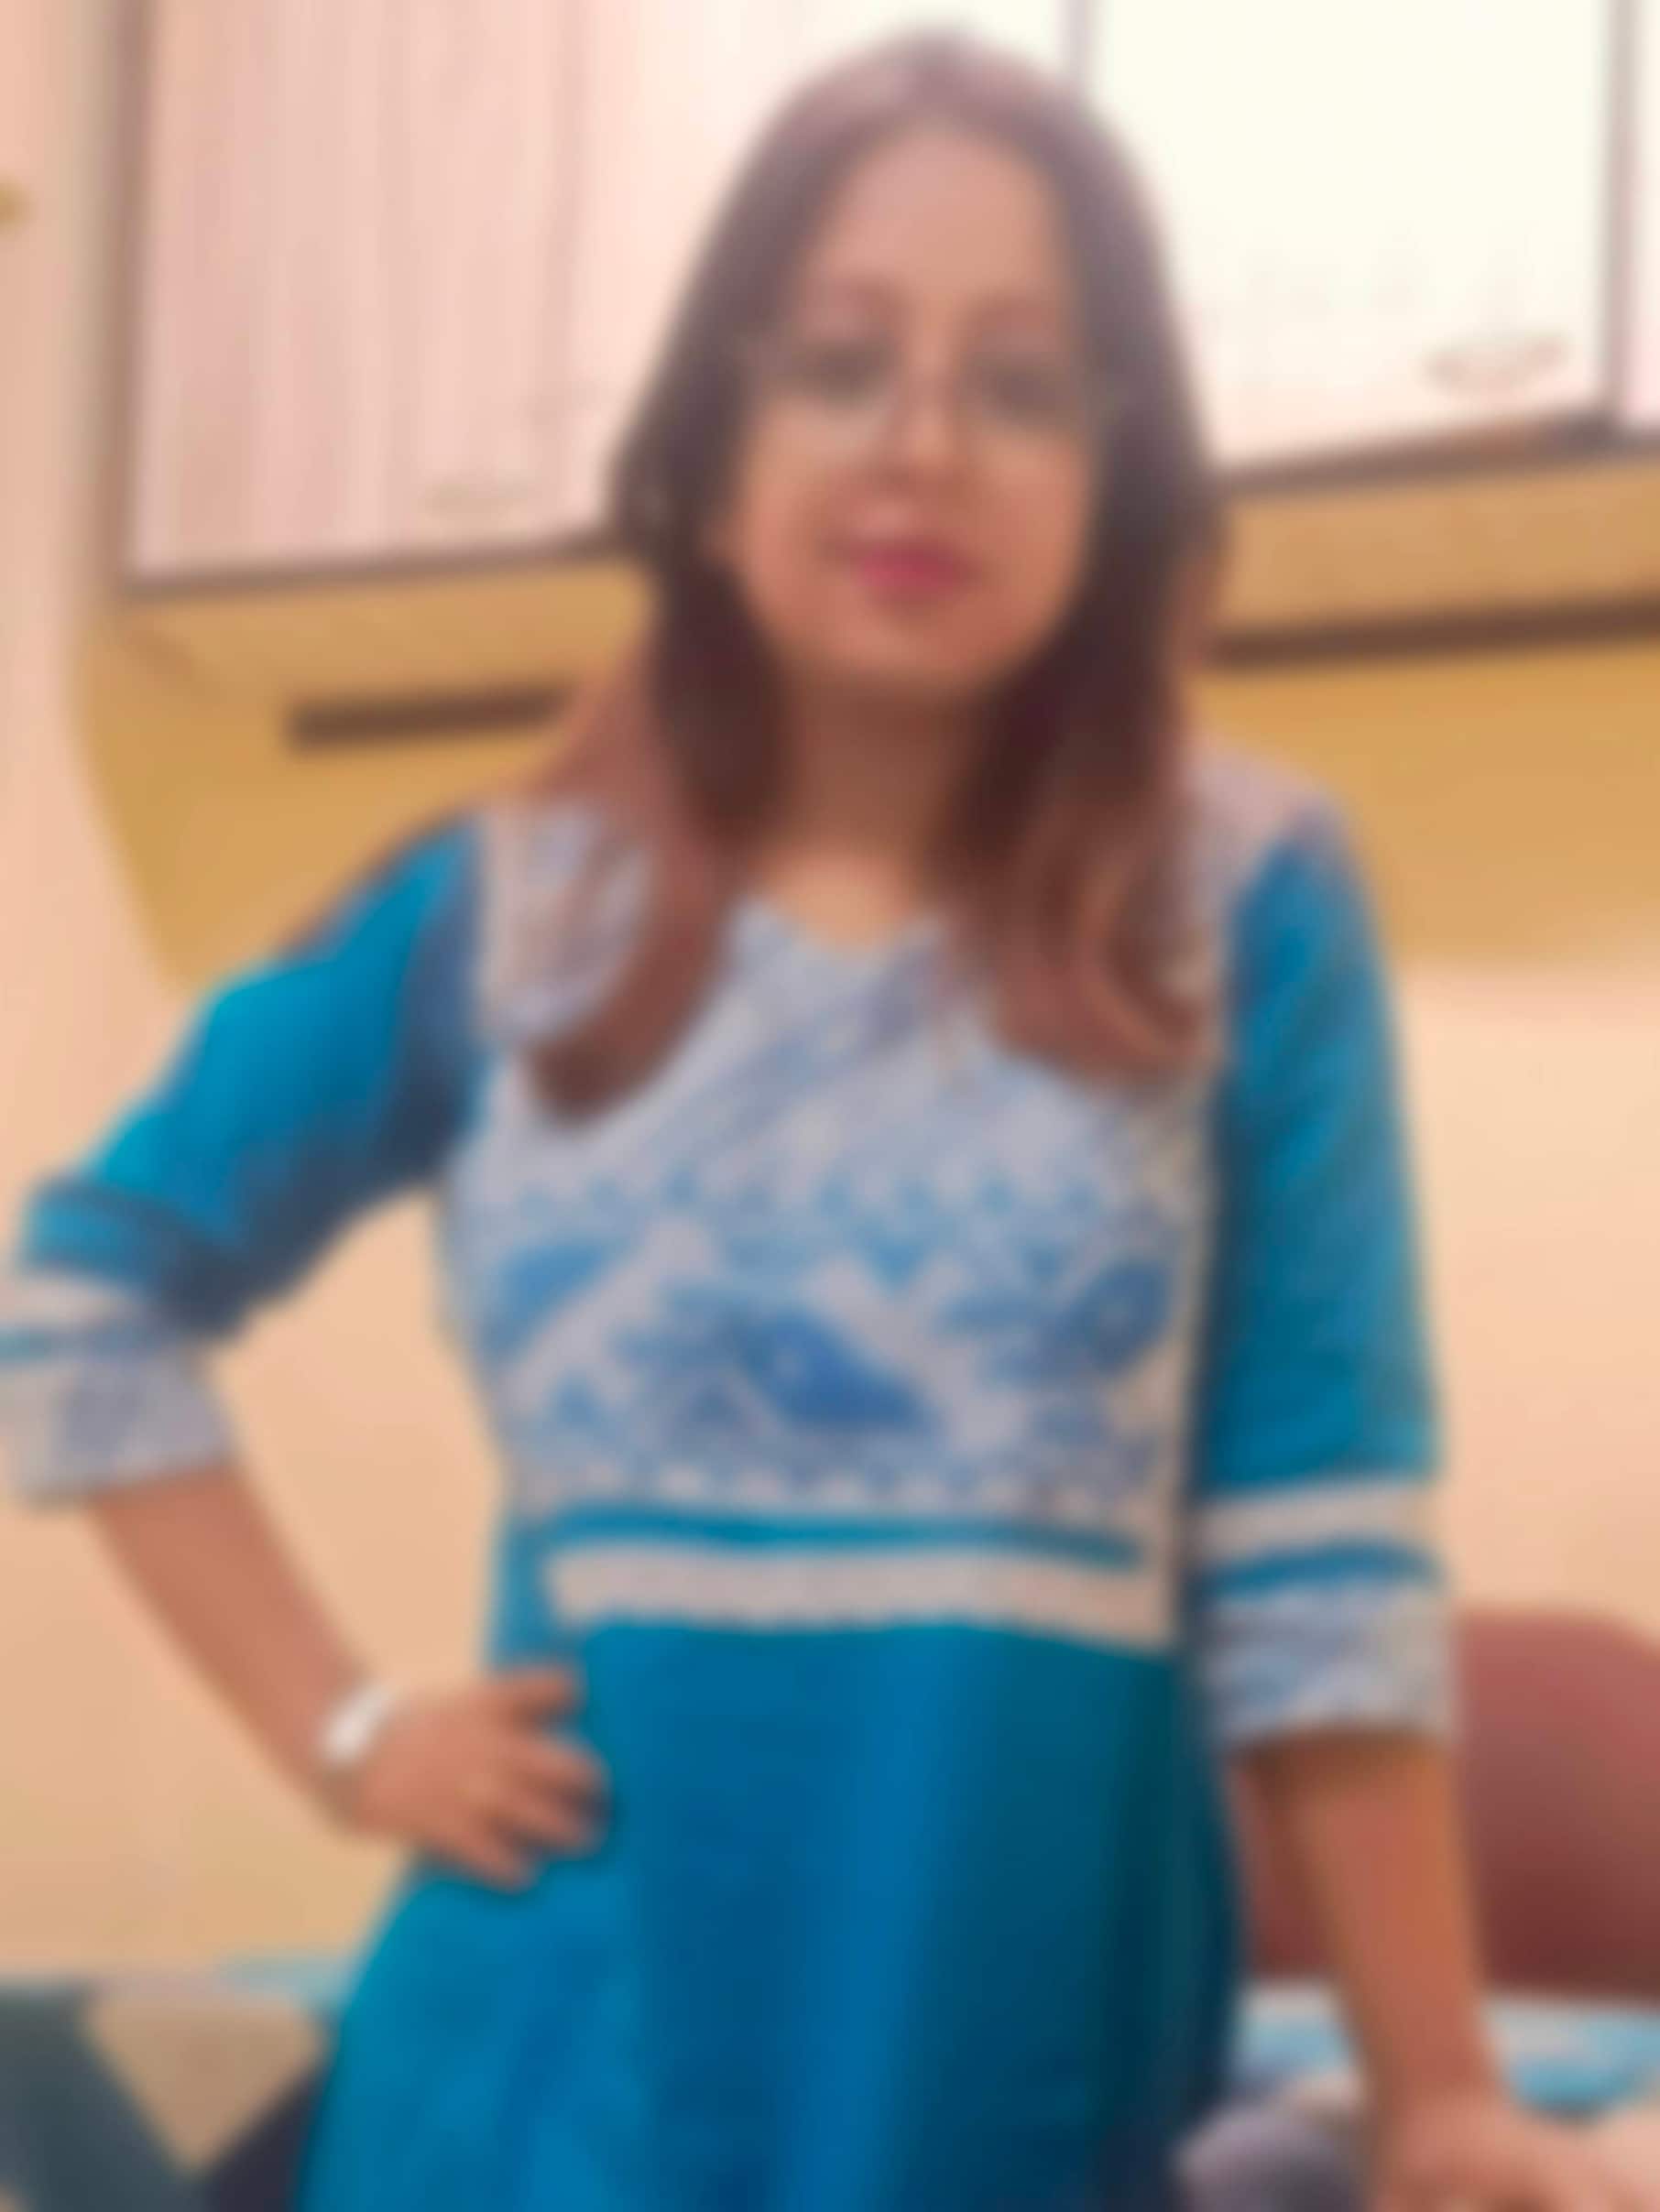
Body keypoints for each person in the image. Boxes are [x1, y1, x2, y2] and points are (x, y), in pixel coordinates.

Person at [0, 37, 1645, 2212]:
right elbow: (85, 1289)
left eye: (1023, 383)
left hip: (1004, 2099)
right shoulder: (506, 914)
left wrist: (1436, 2091)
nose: (922, 445)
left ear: (1119, 471)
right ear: (713, 448)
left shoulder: (1242, 902)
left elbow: (1319, 1552)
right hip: (528, 2119)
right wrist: (342, 1729)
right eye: (841, 361)